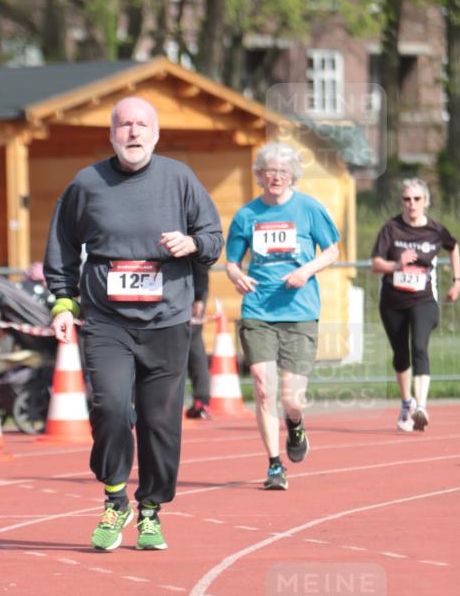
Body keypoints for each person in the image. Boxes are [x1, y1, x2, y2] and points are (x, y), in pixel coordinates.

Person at [44, 96, 223, 550]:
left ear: (156, 134)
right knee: (109, 407)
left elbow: (213, 237)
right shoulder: (87, 184)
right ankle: (114, 498)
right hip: (107, 320)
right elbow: (63, 246)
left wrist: (192, 244)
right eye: (124, 125)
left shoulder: (179, 179)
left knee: (160, 421)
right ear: (111, 135)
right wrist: (63, 303)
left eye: (142, 124)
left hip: (167, 319)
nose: (134, 132)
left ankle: (150, 511)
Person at [225, 142, 340, 490]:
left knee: (291, 397)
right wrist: (237, 276)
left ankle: (295, 423)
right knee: (263, 387)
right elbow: (232, 262)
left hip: (299, 311)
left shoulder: (308, 208)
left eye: (283, 172)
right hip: (258, 310)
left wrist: (306, 270)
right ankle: (275, 465)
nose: (276, 177)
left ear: (293, 176)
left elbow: (332, 250)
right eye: (270, 171)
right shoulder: (247, 215)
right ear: (259, 175)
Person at [371, 178, 460, 432]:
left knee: (420, 346)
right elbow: (376, 264)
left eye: (417, 199)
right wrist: (397, 264)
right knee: (401, 354)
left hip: (423, 300)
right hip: (393, 301)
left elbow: (453, 247)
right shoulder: (391, 229)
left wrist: (457, 281)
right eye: (407, 199)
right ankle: (406, 403)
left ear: (426, 201)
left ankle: (421, 406)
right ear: (402, 202)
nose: (411, 204)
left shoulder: (435, 230)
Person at [185, 261, 212, 419]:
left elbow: (201, 258)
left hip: (191, 286)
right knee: (193, 342)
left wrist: (198, 296)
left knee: (191, 341)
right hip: (185, 284)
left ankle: (201, 401)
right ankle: (201, 401)